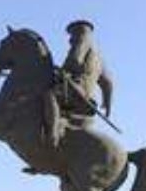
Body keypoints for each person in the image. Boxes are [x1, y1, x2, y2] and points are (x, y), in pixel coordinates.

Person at [44, 19, 113, 147]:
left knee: (49, 94)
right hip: (90, 100)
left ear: (79, 32)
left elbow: (75, 61)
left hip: (76, 90)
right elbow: (108, 83)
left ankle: (52, 134)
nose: (70, 39)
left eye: (71, 34)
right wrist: (107, 104)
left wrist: (61, 70)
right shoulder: (99, 57)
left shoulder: (81, 42)